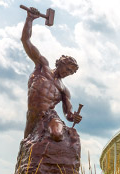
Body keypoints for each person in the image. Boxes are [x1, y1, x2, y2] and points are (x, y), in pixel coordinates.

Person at [21, 7, 82, 142]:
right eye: (67, 69)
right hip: (33, 115)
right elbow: (26, 41)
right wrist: (30, 19)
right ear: (60, 64)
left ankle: (63, 137)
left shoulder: (64, 90)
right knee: (27, 143)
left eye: (71, 72)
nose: (68, 73)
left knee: (57, 134)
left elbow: (68, 113)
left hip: (49, 116)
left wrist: (74, 117)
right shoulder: (42, 66)